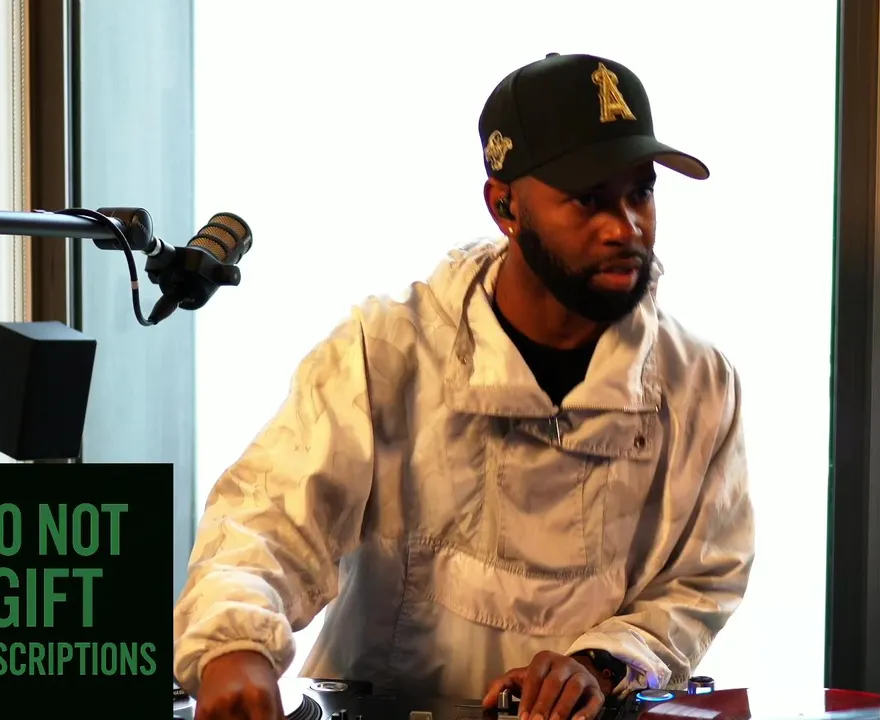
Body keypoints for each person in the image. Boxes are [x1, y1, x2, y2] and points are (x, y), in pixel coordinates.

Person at [174, 53, 755, 720]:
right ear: (505, 205)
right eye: (589, 199)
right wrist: (236, 646)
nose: (625, 228)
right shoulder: (385, 352)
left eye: (640, 193)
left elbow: (701, 581)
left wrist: (601, 662)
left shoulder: (699, 384)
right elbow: (265, 520)